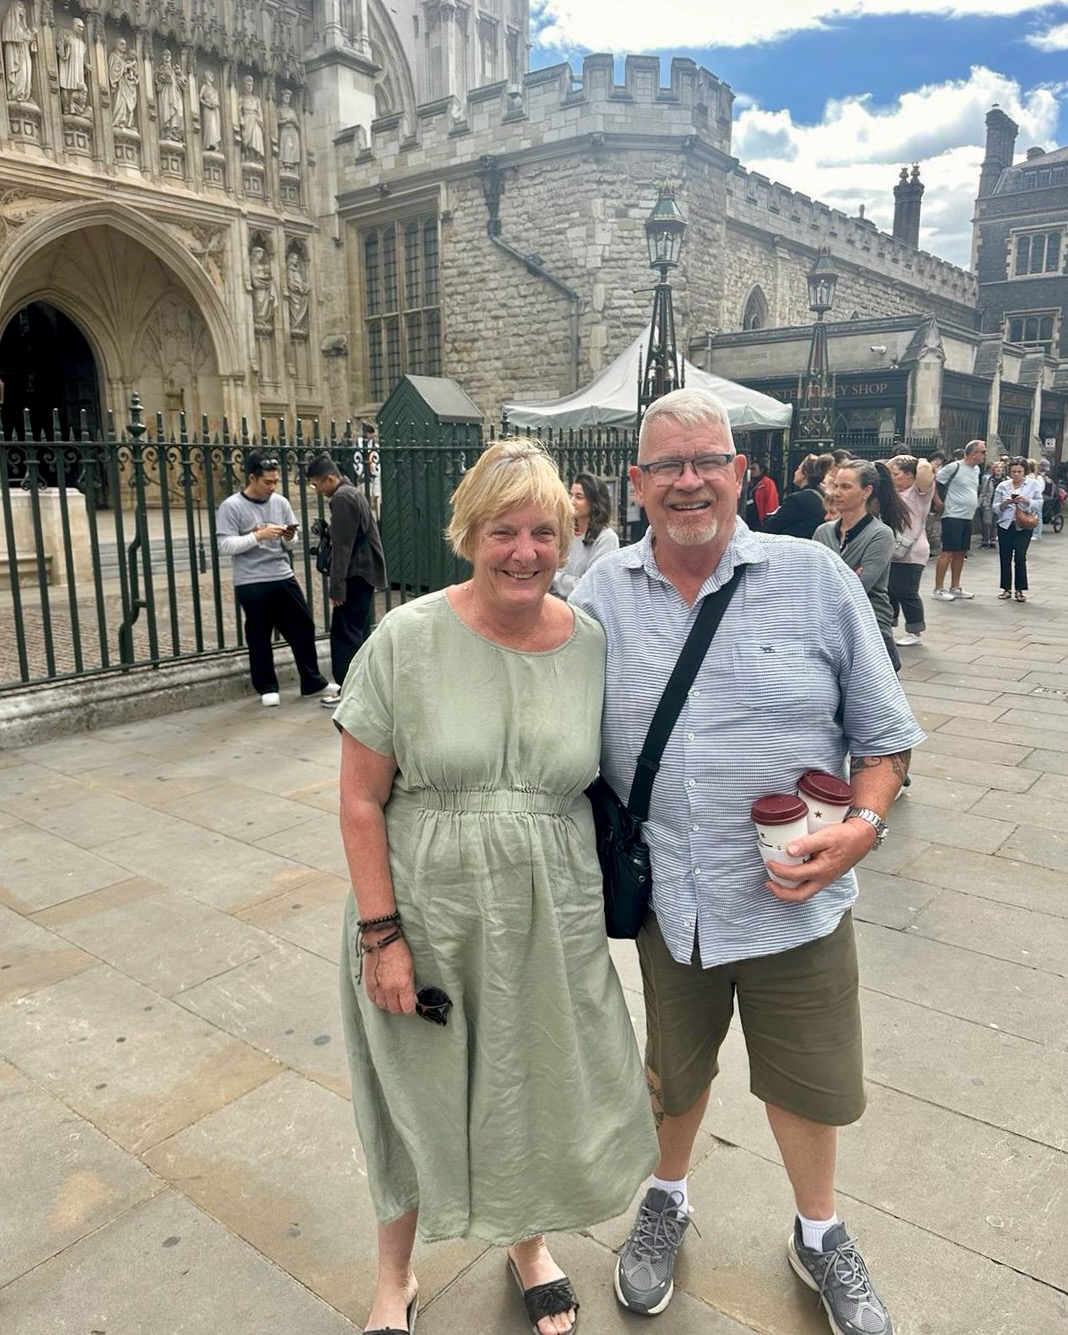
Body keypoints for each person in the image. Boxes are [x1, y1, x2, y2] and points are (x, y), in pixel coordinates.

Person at [571, 388, 922, 1335]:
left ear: (739, 472)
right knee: (672, 1073)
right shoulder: (600, 592)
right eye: (667, 465)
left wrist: (863, 826)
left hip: (795, 899)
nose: (688, 481)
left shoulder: (814, 576)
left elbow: (885, 740)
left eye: (707, 461)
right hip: (670, 902)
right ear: (637, 482)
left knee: (809, 1082)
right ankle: (666, 1199)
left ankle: (819, 1231)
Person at [335, 439, 658, 1335]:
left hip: (548, 916)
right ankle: (393, 1277)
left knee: (533, 1083)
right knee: (412, 1093)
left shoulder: (589, 642)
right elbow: (358, 800)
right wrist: (381, 935)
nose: (524, 551)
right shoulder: (406, 639)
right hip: (426, 913)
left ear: (567, 536)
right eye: (503, 531)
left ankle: (528, 1244)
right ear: (468, 534)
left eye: (543, 532)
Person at [215, 450, 330, 706]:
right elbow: (225, 545)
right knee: (259, 633)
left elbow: (292, 543)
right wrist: (258, 536)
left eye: (275, 481)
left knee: (303, 627)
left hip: (282, 574)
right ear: (252, 478)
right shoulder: (231, 506)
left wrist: (289, 536)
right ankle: (267, 686)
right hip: (251, 580)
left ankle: (312, 681)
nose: (272, 487)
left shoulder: (281, 502)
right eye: (267, 482)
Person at [305, 455, 386, 706]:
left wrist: (337, 587)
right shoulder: (352, 492)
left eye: (316, 484)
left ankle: (348, 689)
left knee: (345, 636)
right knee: (359, 633)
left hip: (355, 575)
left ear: (329, 478)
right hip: (363, 573)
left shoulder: (342, 498)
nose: (317, 490)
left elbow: (343, 546)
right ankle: (362, 688)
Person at [814, 460, 910, 672]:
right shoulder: (823, 532)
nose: (837, 493)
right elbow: (813, 580)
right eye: (836, 486)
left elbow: (858, 586)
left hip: (870, 625)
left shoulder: (880, 534)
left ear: (866, 491)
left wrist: (832, 578)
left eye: (846, 487)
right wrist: (848, 573)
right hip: (829, 626)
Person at [886, 454, 936, 648]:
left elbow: (924, 469)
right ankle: (888, 625)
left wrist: (918, 459)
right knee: (889, 590)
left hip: (912, 550)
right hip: (892, 548)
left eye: (897, 474)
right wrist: (895, 460)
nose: (893, 478)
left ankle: (914, 631)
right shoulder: (893, 493)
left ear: (910, 475)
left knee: (906, 591)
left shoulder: (919, 492)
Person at [932, 438, 986, 601]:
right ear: (973, 453)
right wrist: (938, 502)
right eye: (983, 452)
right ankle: (938, 588)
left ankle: (955, 586)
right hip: (952, 514)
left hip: (967, 516)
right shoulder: (954, 467)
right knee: (947, 551)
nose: (984, 455)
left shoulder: (976, 469)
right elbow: (934, 482)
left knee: (961, 552)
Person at [553, 471, 619, 597]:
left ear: (594, 502)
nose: (572, 501)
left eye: (579, 497)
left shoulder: (606, 538)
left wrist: (552, 576)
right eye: (571, 495)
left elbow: (592, 586)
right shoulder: (565, 534)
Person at [994, 458, 1043, 602]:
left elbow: (1039, 503)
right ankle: (1006, 588)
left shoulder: (1032, 484)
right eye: (1013, 471)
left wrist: (1026, 500)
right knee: (1005, 556)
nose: (1016, 474)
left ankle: (1020, 589)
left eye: (1019, 471)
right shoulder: (1003, 486)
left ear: (1024, 472)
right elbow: (995, 507)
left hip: (1023, 524)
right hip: (1006, 524)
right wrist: (1005, 503)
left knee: (1020, 555)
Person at [762, 453, 833, 538]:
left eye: (798, 469)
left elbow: (770, 527)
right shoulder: (821, 495)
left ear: (805, 473)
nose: (795, 472)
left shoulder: (798, 499)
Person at [745, 458, 779, 531]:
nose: (751, 471)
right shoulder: (750, 483)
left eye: (754, 469)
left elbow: (771, 501)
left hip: (759, 519)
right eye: (750, 469)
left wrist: (767, 519)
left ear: (761, 470)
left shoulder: (768, 483)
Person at [977, 458, 1001, 549]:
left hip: (999, 504)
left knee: (995, 523)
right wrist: (979, 503)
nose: (998, 469)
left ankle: (992, 541)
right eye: (997, 467)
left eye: (1000, 468)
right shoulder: (987, 479)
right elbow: (983, 492)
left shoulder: (1005, 480)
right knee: (987, 523)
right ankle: (985, 540)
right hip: (988, 503)